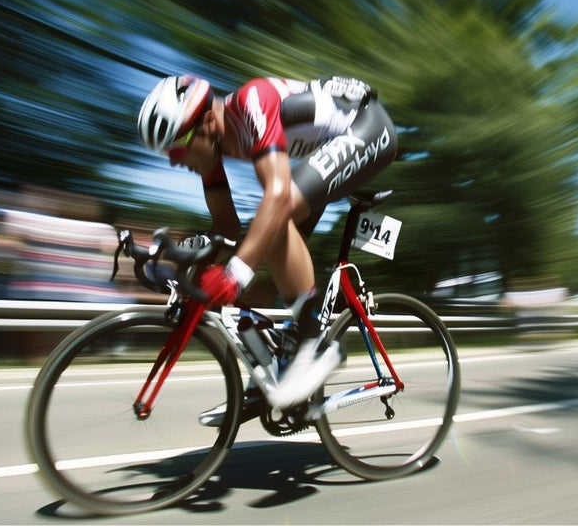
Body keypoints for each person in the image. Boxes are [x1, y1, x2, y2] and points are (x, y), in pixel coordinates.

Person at [136, 74, 397, 419]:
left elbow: (277, 196)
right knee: (271, 235)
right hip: (327, 148)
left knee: (277, 212)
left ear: (208, 121)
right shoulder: (211, 147)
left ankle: (316, 345)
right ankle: (280, 365)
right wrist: (181, 268)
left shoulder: (251, 101)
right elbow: (226, 229)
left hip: (368, 126)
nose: (173, 158)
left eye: (177, 144)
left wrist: (235, 275)